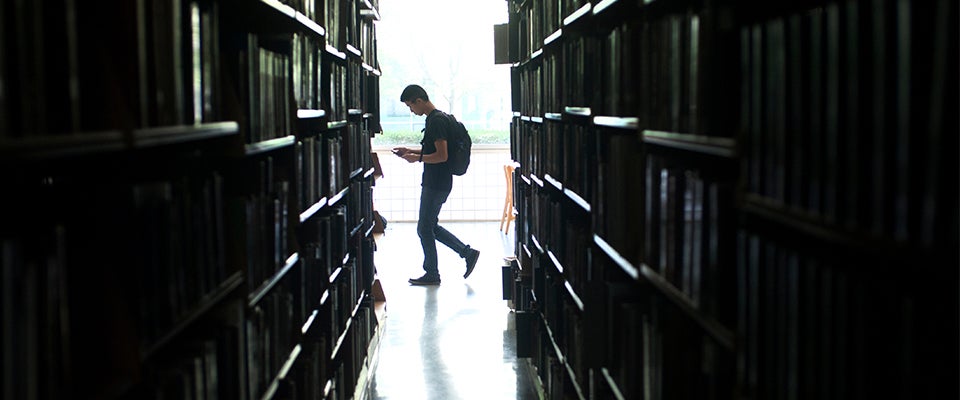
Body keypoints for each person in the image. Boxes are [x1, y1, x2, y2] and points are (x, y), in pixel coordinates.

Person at [392, 84, 480, 285]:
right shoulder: (438, 118)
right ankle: (467, 253)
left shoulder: (436, 122)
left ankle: (433, 273)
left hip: (436, 182)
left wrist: (417, 159)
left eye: (410, 106)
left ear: (419, 100)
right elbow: (435, 151)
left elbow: (441, 156)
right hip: (439, 181)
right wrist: (411, 152)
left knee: (424, 228)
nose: (411, 111)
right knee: (430, 226)